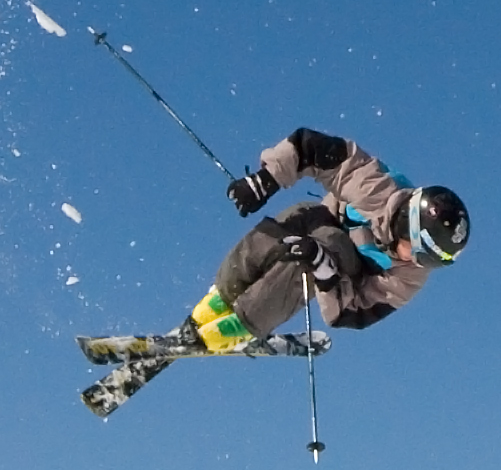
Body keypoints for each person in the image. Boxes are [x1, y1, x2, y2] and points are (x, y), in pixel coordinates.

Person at [188, 127, 468, 352]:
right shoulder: (377, 186)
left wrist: (325, 274)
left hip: (341, 270)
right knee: (298, 217)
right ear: (407, 222)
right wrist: (266, 179)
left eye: (430, 262)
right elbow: (310, 148)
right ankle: (220, 297)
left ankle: (243, 323)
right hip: (323, 218)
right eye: (418, 253)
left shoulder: (411, 276)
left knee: (325, 246)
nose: (417, 263)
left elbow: (350, 313)